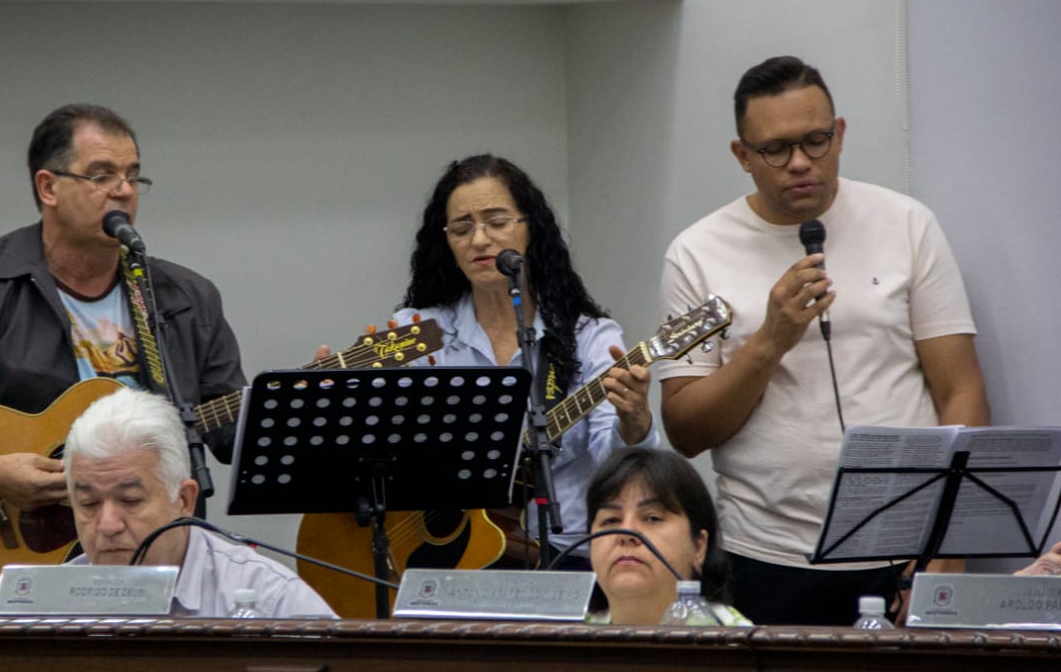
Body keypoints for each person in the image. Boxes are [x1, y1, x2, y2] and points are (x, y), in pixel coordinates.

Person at [658, 56, 990, 625]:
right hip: (765, 556)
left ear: (839, 133)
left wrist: (947, 543)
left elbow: (961, 391)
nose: (800, 163)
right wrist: (769, 342)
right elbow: (685, 429)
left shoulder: (908, 224)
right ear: (742, 155)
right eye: (775, 149)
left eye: (816, 141)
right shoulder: (693, 254)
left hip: (907, 549)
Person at [0, 104, 245, 507]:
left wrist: (281, 408)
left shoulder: (186, 296)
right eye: (102, 175)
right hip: (27, 531)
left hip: (160, 526)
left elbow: (230, 431)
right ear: (48, 187)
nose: (124, 190)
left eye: (132, 176)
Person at [392, 154, 660, 565]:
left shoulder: (589, 337)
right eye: (462, 228)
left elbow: (617, 473)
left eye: (497, 222)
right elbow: (382, 450)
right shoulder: (418, 332)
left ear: (531, 228)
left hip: (568, 552)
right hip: (446, 555)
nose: (479, 240)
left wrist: (634, 422)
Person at [64, 386, 336, 618]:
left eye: (130, 500)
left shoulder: (270, 598)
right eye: (88, 503)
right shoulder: (49, 601)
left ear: (185, 500)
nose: (108, 525)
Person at [585, 447, 749, 626]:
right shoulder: (568, 636)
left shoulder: (738, 639)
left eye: (652, 518)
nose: (626, 533)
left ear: (698, 547)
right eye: (611, 520)